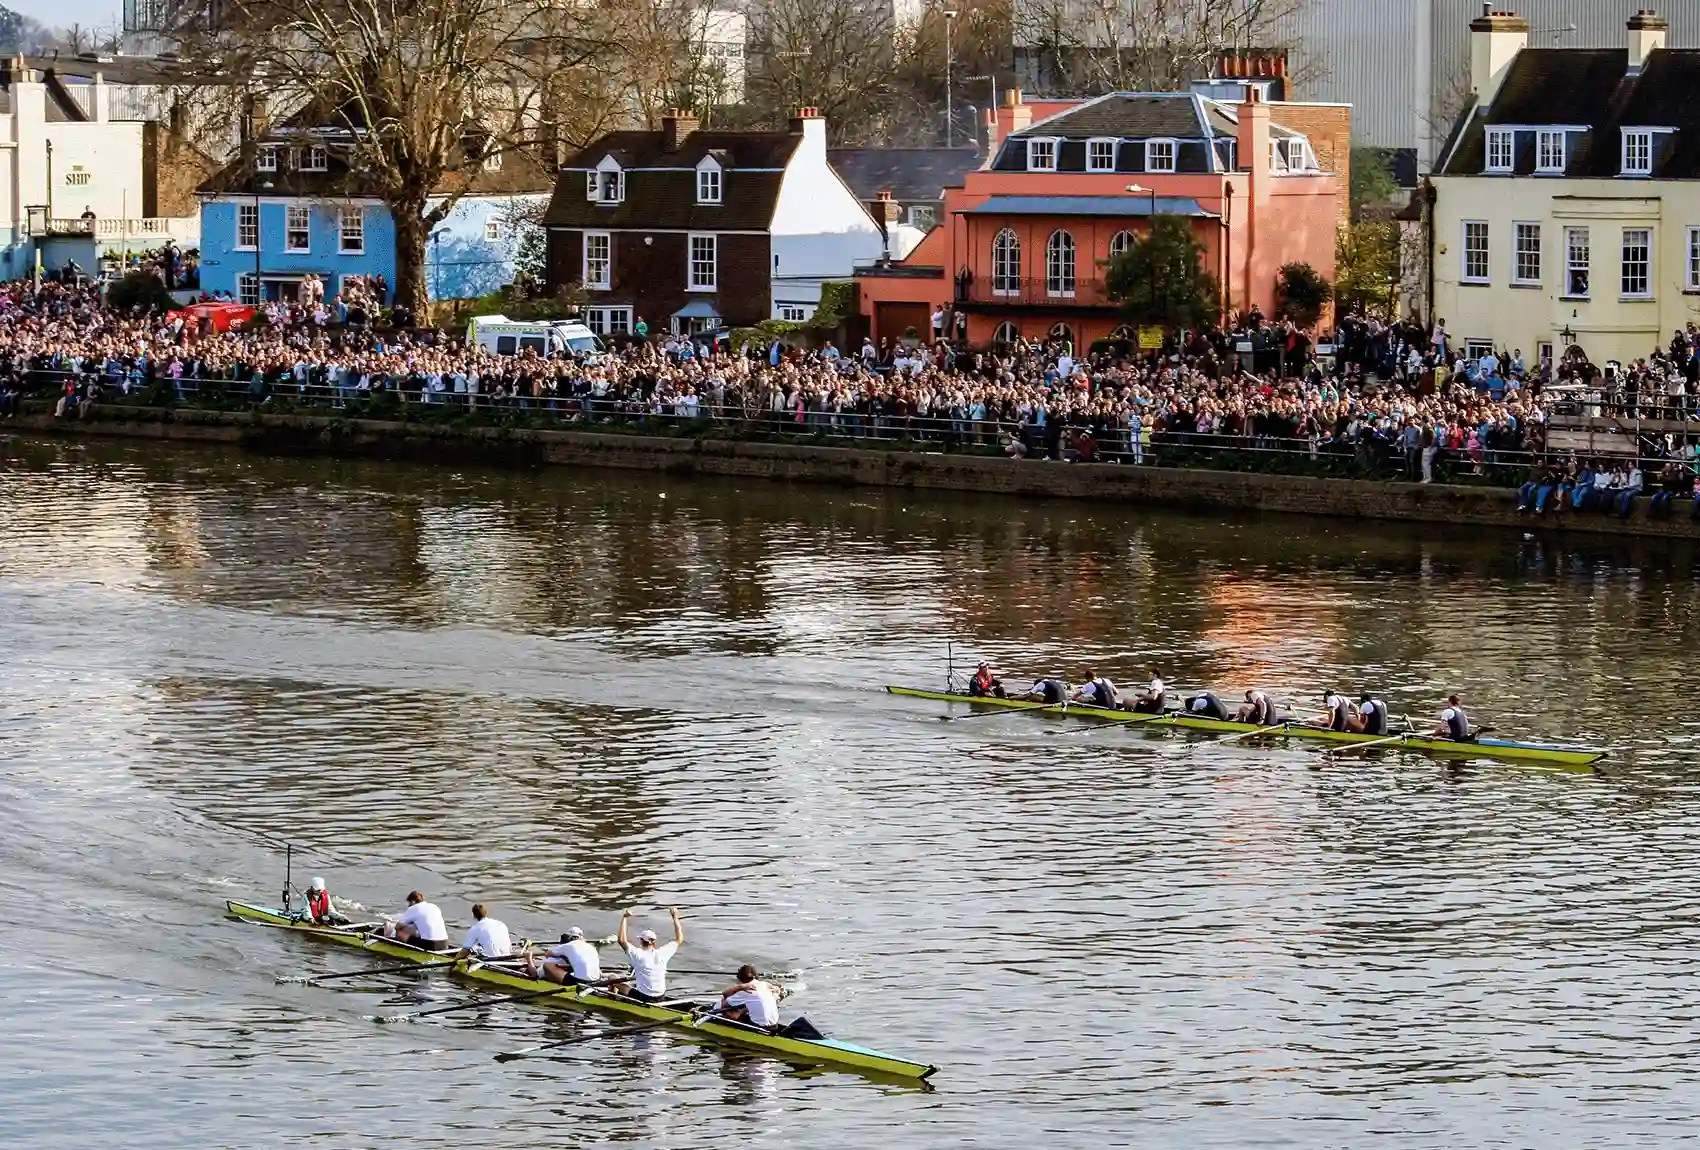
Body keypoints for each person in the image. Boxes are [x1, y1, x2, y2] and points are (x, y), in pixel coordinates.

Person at [616, 907, 682, 1003]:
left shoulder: (637, 954)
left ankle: (613, 1000)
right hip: (661, 996)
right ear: (654, 942)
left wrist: (624, 918)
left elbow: (621, 940)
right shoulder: (664, 953)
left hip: (644, 998)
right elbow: (679, 939)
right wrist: (675, 918)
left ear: (641, 941)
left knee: (612, 978)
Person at [525, 926, 602, 985]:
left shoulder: (567, 946)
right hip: (597, 980)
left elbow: (547, 955)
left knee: (547, 965)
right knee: (611, 975)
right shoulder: (591, 947)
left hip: (579, 982)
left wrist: (529, 959)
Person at [382, 890, 450, 951]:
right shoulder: (434, 906)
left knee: (400, 932)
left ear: (413, 901)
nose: (408, 905)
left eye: (409, 903)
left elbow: (397, 927)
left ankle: (388, 940)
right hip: (444, 944)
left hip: (430, 945)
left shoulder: (414, 908)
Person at [718, 965, 781, 1031]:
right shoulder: (764, 984)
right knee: (750, 1004)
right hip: (774, 1025)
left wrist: (739, 987)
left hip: (760, 1028)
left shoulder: (746, 991)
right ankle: (740, 1013)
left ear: (740, 978)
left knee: (725, 1005)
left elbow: (725, 997)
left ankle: (722, 1023)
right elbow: (777, 989)